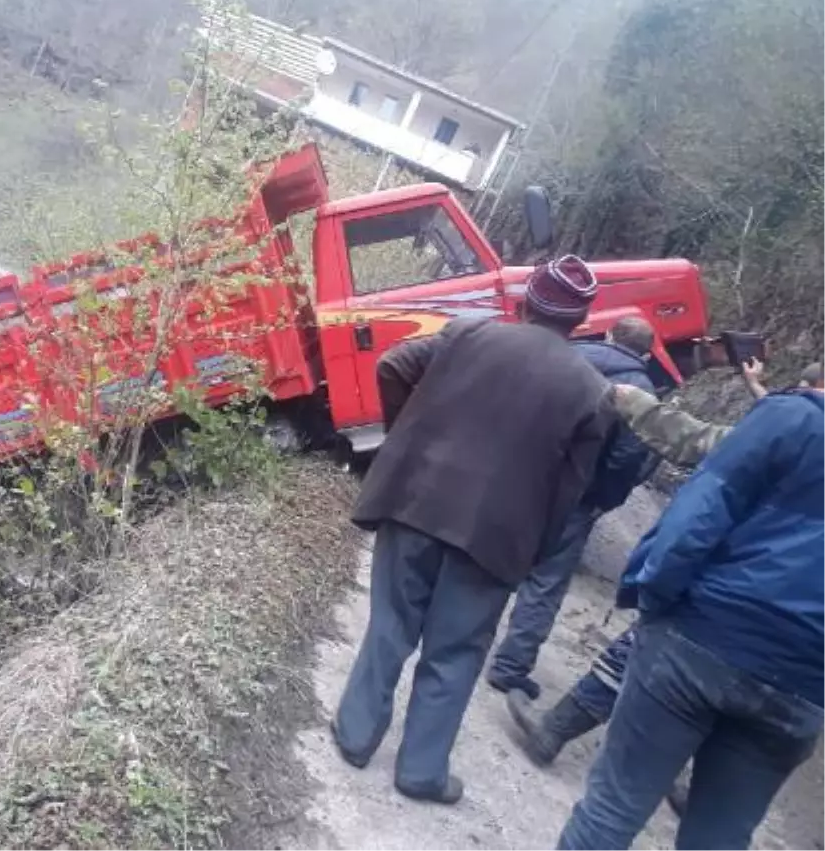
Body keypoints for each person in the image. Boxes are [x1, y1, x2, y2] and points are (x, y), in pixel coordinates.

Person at [332, 255, 614, 805]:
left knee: (390, 624)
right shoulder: (593, 391)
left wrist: (407, 441)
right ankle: (420, 770)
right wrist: (534, 545)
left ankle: (355, 734)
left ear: (526, 301)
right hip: (495, 538)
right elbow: (569, 491)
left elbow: (391, 364)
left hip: (414, 502)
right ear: (580, 320)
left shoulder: (467, 334)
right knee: (455, 652)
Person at [556, 366, 825, 850]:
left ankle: (555, 729)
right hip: (803, 686)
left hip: (702, 639)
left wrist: (654, 601)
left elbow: (693, 521)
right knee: (718, 840)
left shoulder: (789, 419)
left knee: (612, 811)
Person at [504, 359, 811, 775]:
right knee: (749, 718)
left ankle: (554, 732)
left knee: (641, 648)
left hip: (736, 600)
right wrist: (757, 385)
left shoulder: (779, 437)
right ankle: (703, 795)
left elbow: (698, 442)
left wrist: (636, 405)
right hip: (808, 637)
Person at [486, 316, 659, 700]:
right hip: (575, 500)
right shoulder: (642, 390)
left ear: (610, 334)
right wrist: (601, 499)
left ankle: (462, 635)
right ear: (646, 352)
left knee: (494, 557)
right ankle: (510, 666)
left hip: (522, 478)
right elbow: (629, 456)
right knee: (546, 582)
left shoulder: (569, 356)